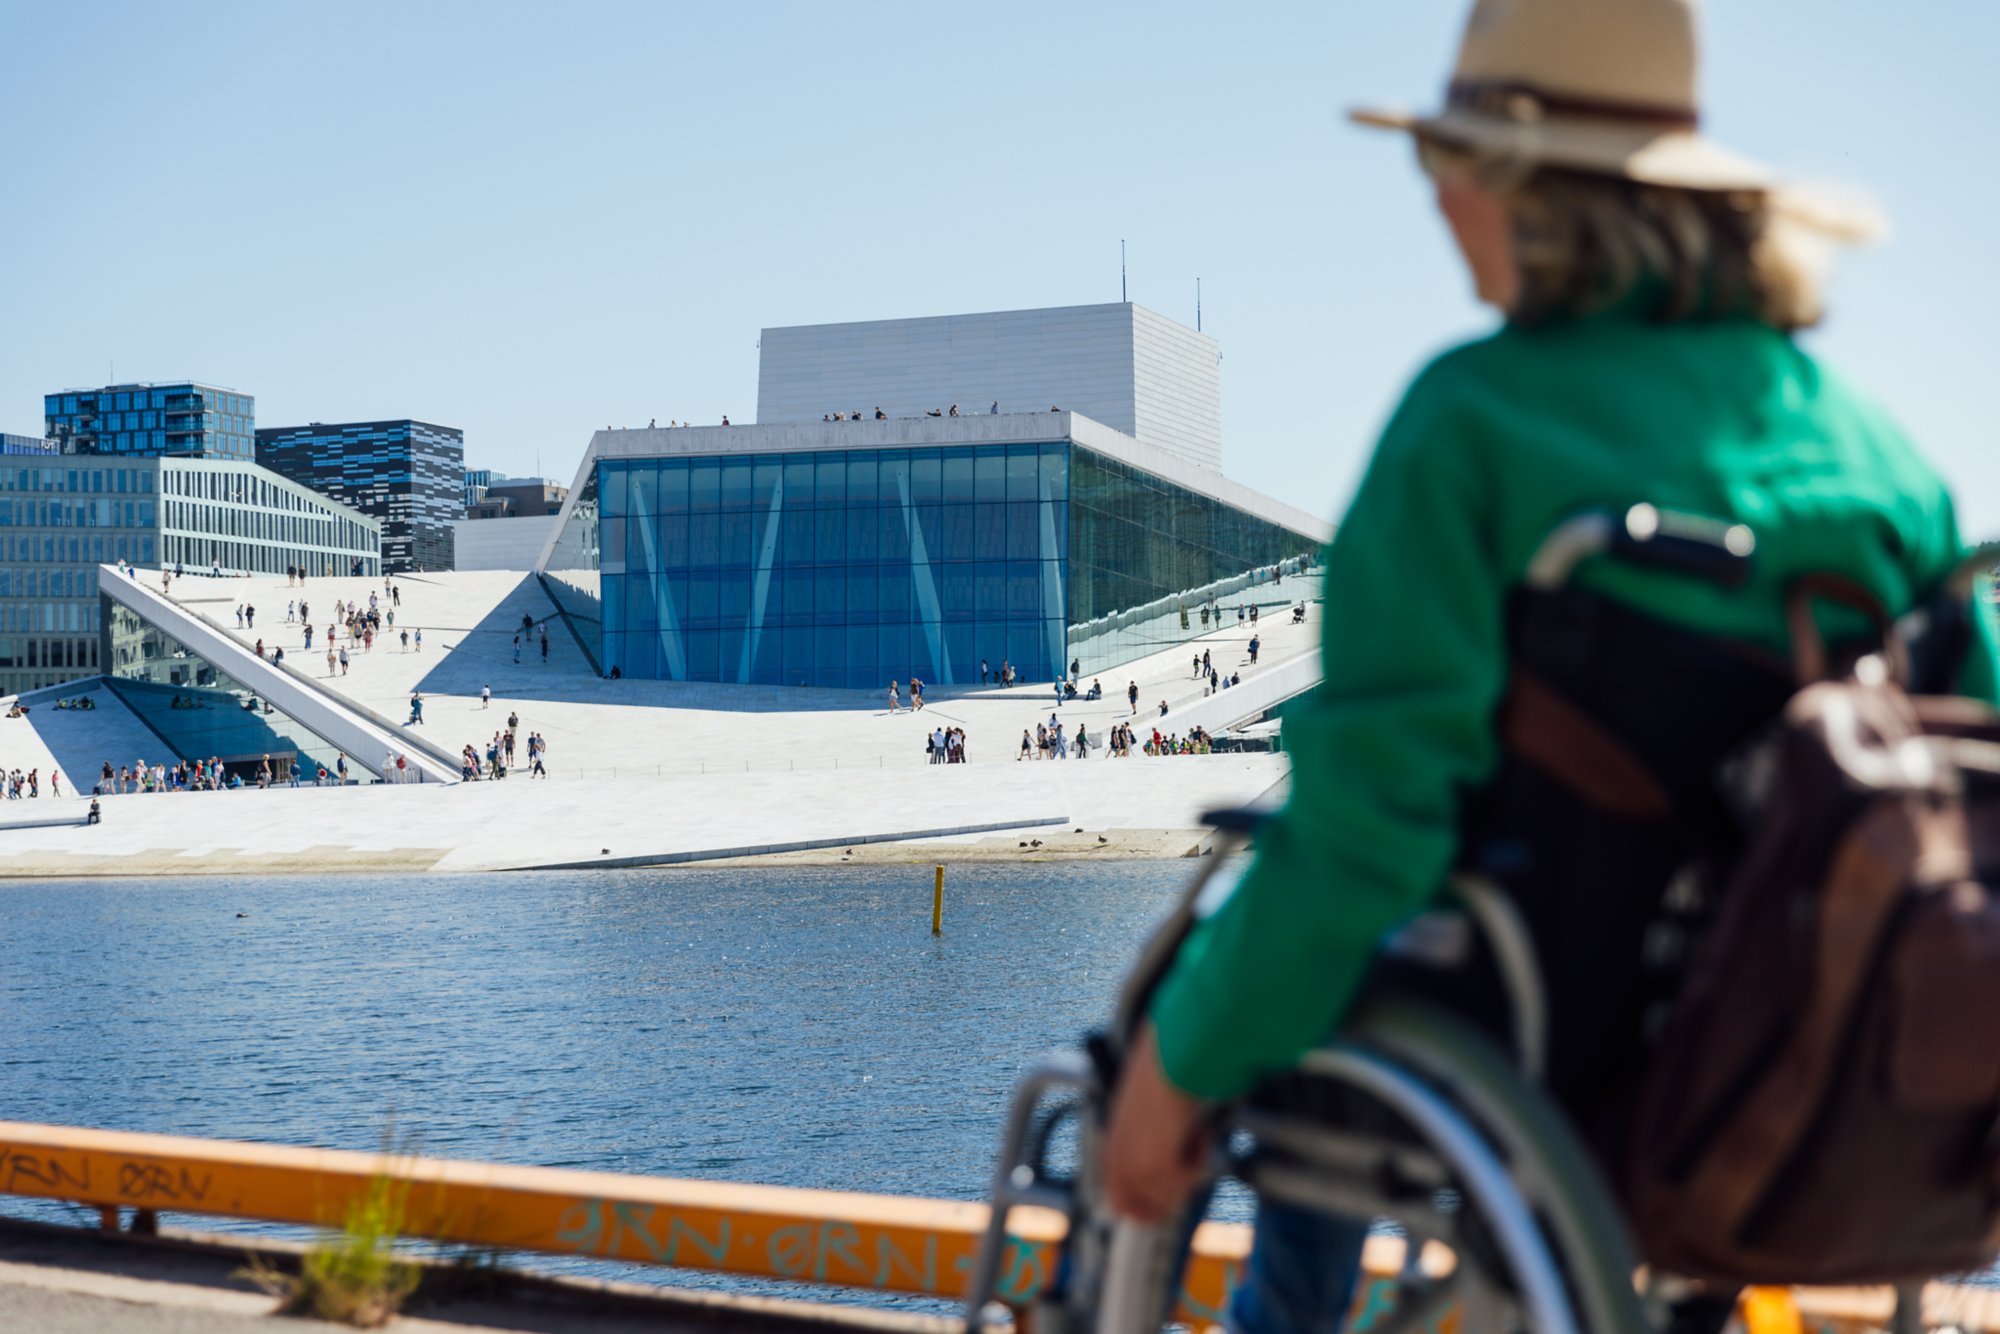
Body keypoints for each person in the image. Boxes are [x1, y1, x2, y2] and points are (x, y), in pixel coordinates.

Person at [1100, 5, 2000, 1333]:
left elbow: (1367, 833)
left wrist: (1174, 1068)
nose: (1436, 202)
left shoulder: (1469, 423)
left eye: (1445, 163)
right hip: (1803, 1026)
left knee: (1262, 981)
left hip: (1552, 1032)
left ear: (1521, 184)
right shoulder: (1877, 455)